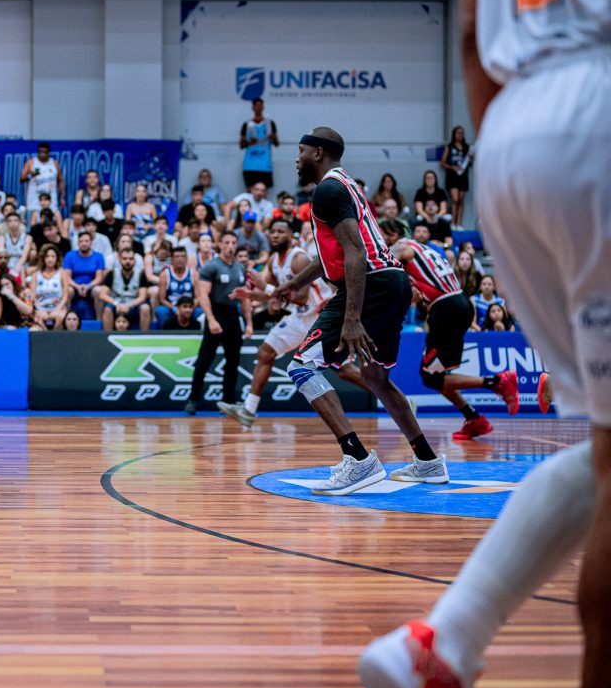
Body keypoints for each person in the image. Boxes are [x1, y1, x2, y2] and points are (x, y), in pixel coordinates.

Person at [360, 0, 611, 688]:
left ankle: (444, 641)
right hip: (594, 111)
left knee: (604, 449)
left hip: (511, 137)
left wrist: (507, 140)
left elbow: (472, 37)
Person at [275, 127, 440, 495]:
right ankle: (428, 461)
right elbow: (335, 253)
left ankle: (358, 459)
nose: (296, 159)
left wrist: (351, 318)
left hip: (371, 284)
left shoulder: (327, 190)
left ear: (318, 153)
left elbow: (355, 253)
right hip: (392, 281)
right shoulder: (345, 185)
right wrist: (295, 283)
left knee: (301, 367)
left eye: (301, 151)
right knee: (376, 378)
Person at [379, 219, 520, 440]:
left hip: (446, 309)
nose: (378, 239)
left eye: (381, 234)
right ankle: (474, 419)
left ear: (394, 234)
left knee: (430, 377)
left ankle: (497, 382)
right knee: (435, 375)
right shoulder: (423, 251)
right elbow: (416, 293)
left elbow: (381, 263)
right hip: (457, 303)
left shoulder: (402, 246)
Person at [218, 220, 342, 427]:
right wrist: (250, 294)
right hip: (301, 317)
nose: (275, 235)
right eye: (272, 231)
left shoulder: (300, 258)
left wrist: (265, 287)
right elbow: (273, 294)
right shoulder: (273, 261)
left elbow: (300, 298)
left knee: (345, 370)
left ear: (290, 236)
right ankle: (249, 409)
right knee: (265, 352)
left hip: (321, 315)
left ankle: (389, 396)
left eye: (280, 232)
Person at [186, 231, 251, 414]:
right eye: (227, 242)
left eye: (233, 242)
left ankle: (228, 401)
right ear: (220, 245)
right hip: (216, 313)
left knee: (233, 361)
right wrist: (211, 319)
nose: (230, 246)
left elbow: (244, 297)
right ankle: (193, 399)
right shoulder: (211, 267)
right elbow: (203, 295)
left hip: (233, 316)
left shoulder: (240, 268)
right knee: (204, 360)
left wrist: (249, 323)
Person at [98, 247, 151, 332]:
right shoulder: (112, 273)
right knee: (107, 309)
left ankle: (145, 336)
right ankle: (107, 336)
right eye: (125, 258)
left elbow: (142, 296)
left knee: (145, 308)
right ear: (119, 259)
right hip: (116, 303)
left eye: (131, 259)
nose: (128, 261)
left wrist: (129, 305)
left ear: (134, 260)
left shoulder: (141, 275)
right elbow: (102, 294)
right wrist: (116, 304)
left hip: (133, 303)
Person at [239, 97, 279, 188]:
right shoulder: (247, 124)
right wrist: (250, 142)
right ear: (252, 107)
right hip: (250, 165)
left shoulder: (270, 124)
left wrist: (273, 137)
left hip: (265, 165)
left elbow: (276, 143)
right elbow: (241, 145)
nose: (258, 107)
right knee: (251, 190)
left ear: (263, 107)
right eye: (256, 105)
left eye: (260, 105)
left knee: (263, 191)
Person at [155, 245, 195, 329]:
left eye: (182, 256)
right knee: (160, 310)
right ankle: (165, 334)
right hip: (171, 306)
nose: (180, 259)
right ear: (172, 259)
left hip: (188, 306)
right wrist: (175, 309)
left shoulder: (194, 274)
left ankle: (197, 334)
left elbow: (198, 297)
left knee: (200, 311)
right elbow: (162, 299)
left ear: (186, 259)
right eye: (177, 256)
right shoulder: (165, 274)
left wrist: (188, 308)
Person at [30, 243, 68, 329]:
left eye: (53, 256)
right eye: (47, 256)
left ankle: (55, 336)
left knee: (60, 317)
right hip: (40, 307)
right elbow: (33, 296)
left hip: (58, 307)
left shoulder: (62, 273)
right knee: (37, 318)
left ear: (57, 258)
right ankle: (44, 333)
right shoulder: (36, 275)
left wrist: (58, 309)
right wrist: (39, 309)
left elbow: (65, 296)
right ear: (43, 258)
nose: (50, 259)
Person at [21, 142, 62, 215]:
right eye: (40, 152)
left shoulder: (54, 163)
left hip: (51, 198)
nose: (42, 154)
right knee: (33, 218)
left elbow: (61, 181)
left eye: (44, 152)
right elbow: (21, 179)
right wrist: (31, 175)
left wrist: (62, 197)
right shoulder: (31, 163)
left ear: (48, 152)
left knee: (51, 218)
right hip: (34, 198)